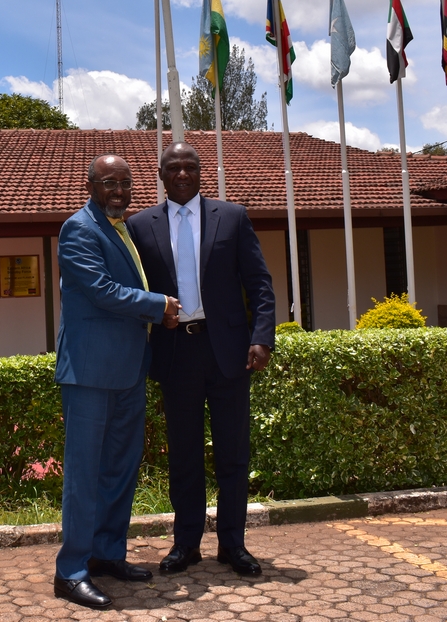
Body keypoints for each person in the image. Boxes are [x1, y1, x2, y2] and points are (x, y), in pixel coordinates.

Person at [127, 141, 275, 576]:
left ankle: (233, 545)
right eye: (173, 167)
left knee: (233, 453)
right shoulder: (140, 226)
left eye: (189, 166)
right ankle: (186, 544)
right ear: (161, 174)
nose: (182, 174)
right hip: (176, 352)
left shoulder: (233, 217)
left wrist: (262, 337)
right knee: (184, 455)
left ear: (200, 172)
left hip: (228, 352)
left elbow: (260, 283)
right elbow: (134, 290)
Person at [53, 154, 181, 609]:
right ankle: (71, 572)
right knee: (85, 474)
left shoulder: (121, 228)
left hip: (128, 370)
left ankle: (107, 554)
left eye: (126, 183)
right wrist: (159, 306)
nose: (119, 191)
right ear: (90, 185)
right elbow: (102, 291)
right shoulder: (79, 230)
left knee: (119, 469)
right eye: (110, 183)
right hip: (90, 373)